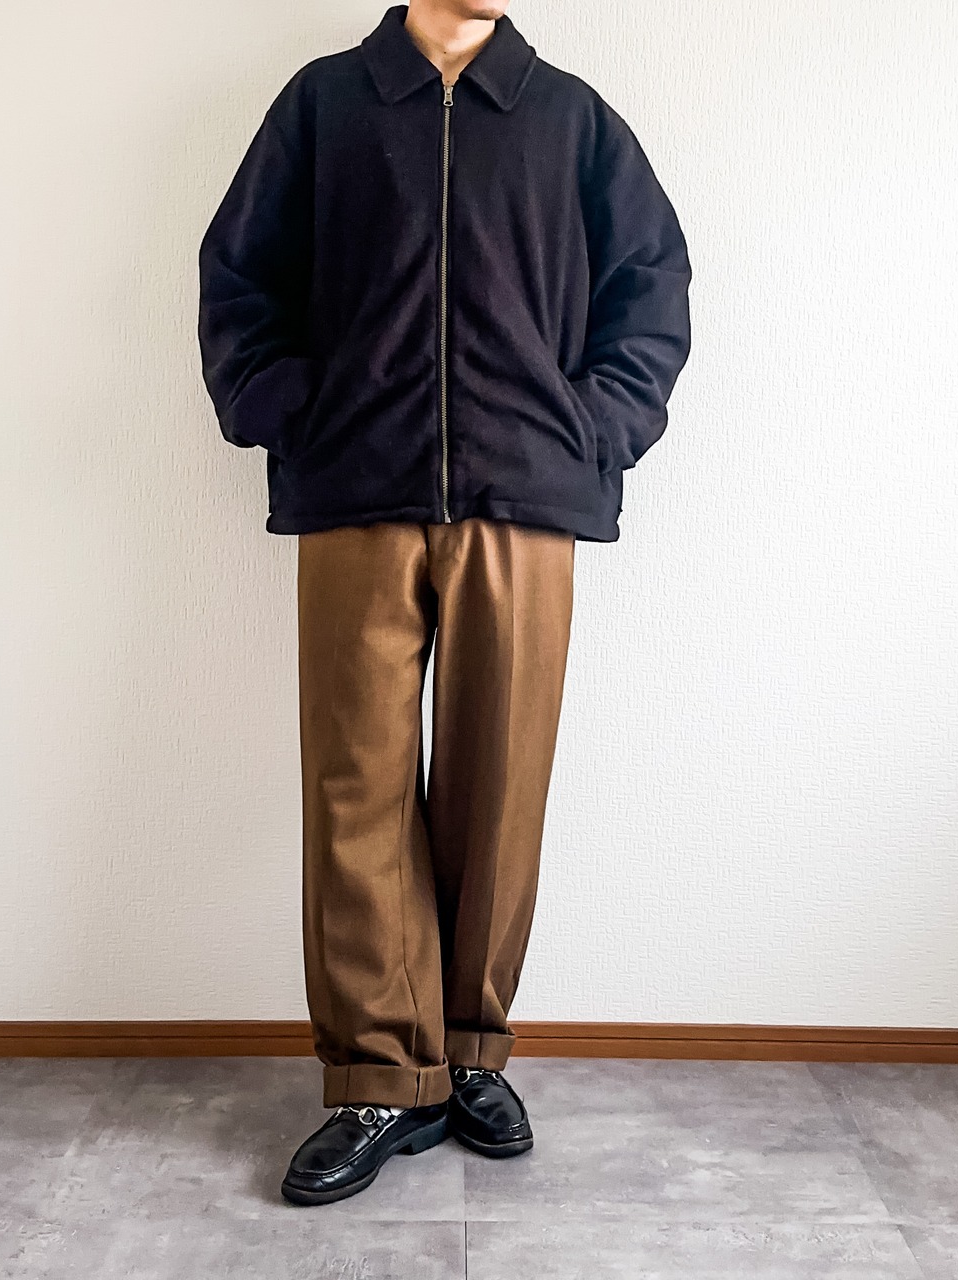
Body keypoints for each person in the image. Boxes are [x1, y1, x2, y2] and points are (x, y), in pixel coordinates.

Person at [197, 0, 691, 1206]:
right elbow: (237, 277)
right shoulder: (324, 106)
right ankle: (380, 1073)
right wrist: (288, 409)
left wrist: (592, 429)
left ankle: (468, 1048)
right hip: (355, 492)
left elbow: (651, 289)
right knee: (355, 783)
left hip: (524, 501)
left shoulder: (571, 120)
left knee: (498, 781)